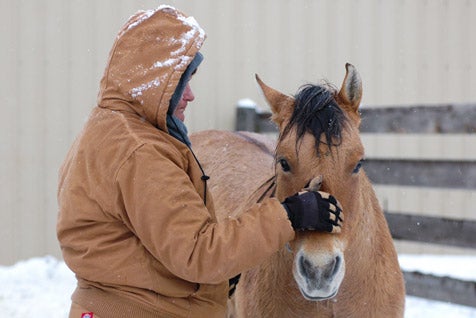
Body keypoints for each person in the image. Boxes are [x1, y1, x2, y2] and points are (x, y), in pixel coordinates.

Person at [57, 5, 343, 318]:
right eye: (182, 83)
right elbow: (198, 253)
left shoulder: (106, 129)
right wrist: (290, 214)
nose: (191, 96)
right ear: (156, 82)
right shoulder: (141, 153)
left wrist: (219, 280)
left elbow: (150, 243)